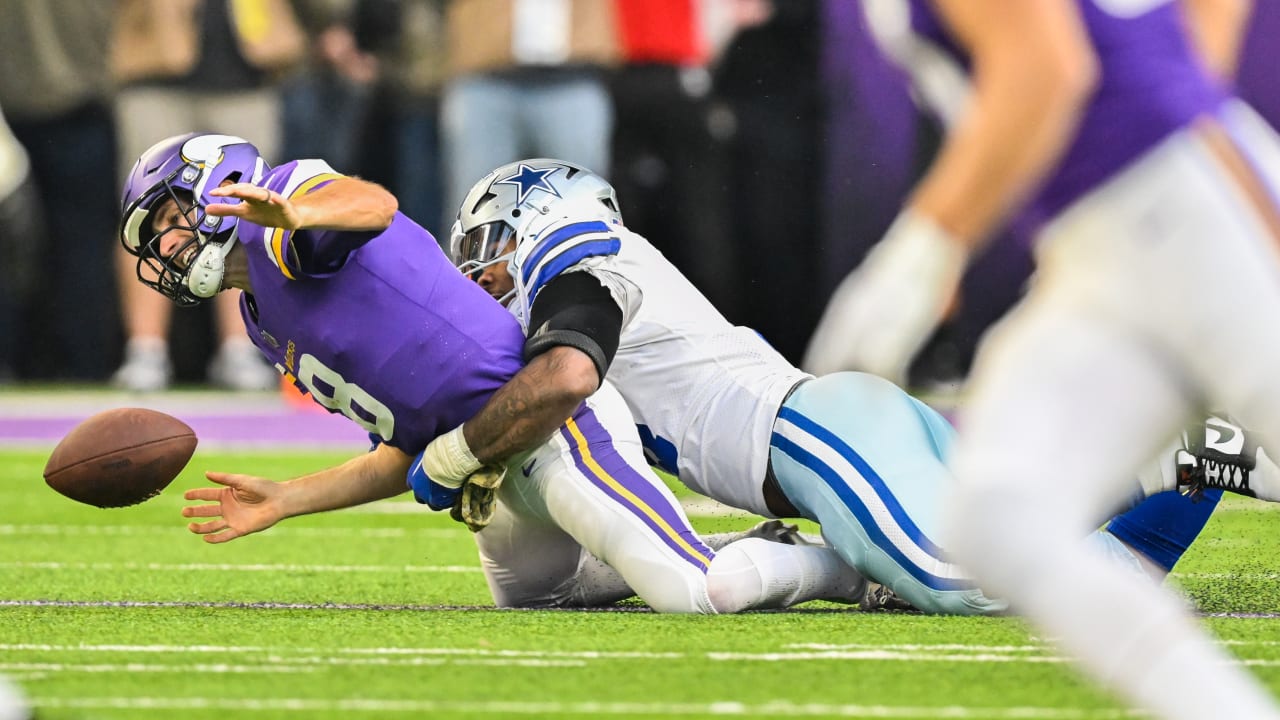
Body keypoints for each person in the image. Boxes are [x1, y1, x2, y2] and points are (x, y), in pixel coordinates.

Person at [418, 157, 1261, 616]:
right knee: (1025, 540)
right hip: (839, 434)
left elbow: (569, 372)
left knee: (984, 585)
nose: (476, 273)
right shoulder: (602, 269)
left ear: (530, 223)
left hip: (820, 441)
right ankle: (1182, 466)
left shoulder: (583, 269)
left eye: (483, 247)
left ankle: (1211, 447)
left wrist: (458, 453)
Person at [117, 132, 867, 615]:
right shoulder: (261, 315)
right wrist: (287, 498)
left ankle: (838, 568)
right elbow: (407, 446)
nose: (169, 245)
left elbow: (372, 204)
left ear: (226, 182)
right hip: (492, 467)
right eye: (156, 239)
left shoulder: (293, 224)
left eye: (172, 218)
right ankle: (717, 543)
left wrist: (295, 211)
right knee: (541, 596)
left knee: (700, 594)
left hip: (547, 424)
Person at [802, 1, 1280, 717]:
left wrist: (918, 256)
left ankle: (1228, 455)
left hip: (1194, 213)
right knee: (1000, 519)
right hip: (1101, 247)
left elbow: (1048, 70)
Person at [110, 0, 305, 392]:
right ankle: (146, 349)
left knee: (246, 212)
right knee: (149, 210)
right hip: (157, 76)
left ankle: (240, 347)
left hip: (244, 78)